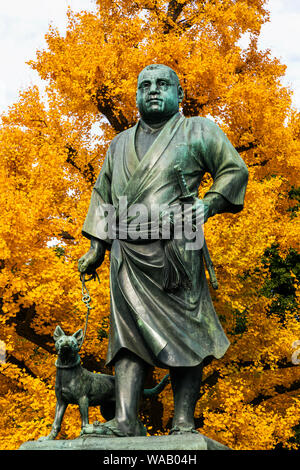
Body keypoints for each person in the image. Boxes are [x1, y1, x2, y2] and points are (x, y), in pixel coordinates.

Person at [78, 64, 248, 437]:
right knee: (126, 335)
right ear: (137, 95)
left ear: (179, 94)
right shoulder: (119, 143)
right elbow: (102, 195)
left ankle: (183, 420)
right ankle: (125, 419)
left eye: (162, 84)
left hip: (179, 243)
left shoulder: (197, 130)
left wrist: (210, 203)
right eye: (145, 86)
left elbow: (234, 170)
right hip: (126, 250)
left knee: (188, 331)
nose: (153, 91)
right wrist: (96, 246)